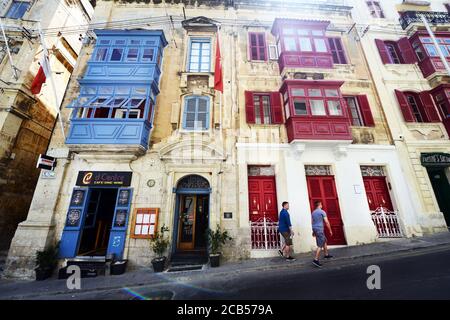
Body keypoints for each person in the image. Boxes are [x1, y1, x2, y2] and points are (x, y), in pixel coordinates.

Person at [311, 200, 333, 267]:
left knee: (324, 240)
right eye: (321, 204)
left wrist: (313, 231)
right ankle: (316, 259)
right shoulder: (322, 212)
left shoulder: (313, 212)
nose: (322, 205)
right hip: (319, 229)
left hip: (315, 229)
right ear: (320, 205)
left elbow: (312, 222)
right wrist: (330, 230)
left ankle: (326, 255)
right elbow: (326, 222)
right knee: (320, 245)